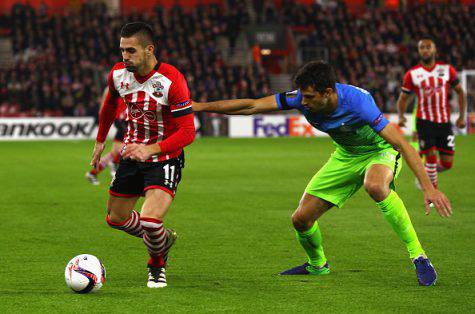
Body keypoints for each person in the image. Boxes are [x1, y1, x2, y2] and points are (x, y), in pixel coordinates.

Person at [193, 60, 452, 286]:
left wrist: (429, 187)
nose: (301, 102)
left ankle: (418, 255)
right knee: (301, 219)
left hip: (378, 151)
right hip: (345, 156)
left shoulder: (359, 104)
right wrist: (199, 107)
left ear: (328, 92)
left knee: (375, 185)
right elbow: (251, 106)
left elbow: (402, 144)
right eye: (301, 97)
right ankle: (317, 265)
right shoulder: (302, 97)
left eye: (308, 97)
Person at [90, 22, 196, 288]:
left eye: (131, 50)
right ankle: (163, 237)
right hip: (131, 156)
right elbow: (109, 106)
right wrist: (100, 141)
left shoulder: (172, 80)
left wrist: (151, 149)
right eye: (122, 50)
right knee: (115, 219)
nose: (125, 56)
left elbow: (188, 132)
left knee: (150, 220)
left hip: (164, 158)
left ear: (149, 50)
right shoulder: (117, 74)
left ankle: (156, 265)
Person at [397, 38, 467, 188]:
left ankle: (425, 175)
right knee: (430, 158)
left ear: (434, 50)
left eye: (428, 47)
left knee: (447, 163)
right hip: (424, 122)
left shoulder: (447, 70)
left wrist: (461, 116)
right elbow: (403, 98)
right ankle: (432, 195)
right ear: (418, 51)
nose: (425, 50)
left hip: (444, 122)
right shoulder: (413, 74)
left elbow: (461, 92)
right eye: (422, 47)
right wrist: (402, 116)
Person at [86, 87, 126, 185]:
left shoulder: (112, 85)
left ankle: (93, 173)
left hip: (121, 119)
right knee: (130, 146)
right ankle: (115, 163)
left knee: (115, 152)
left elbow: (104, 105)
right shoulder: (121, 83)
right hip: (123, 119)